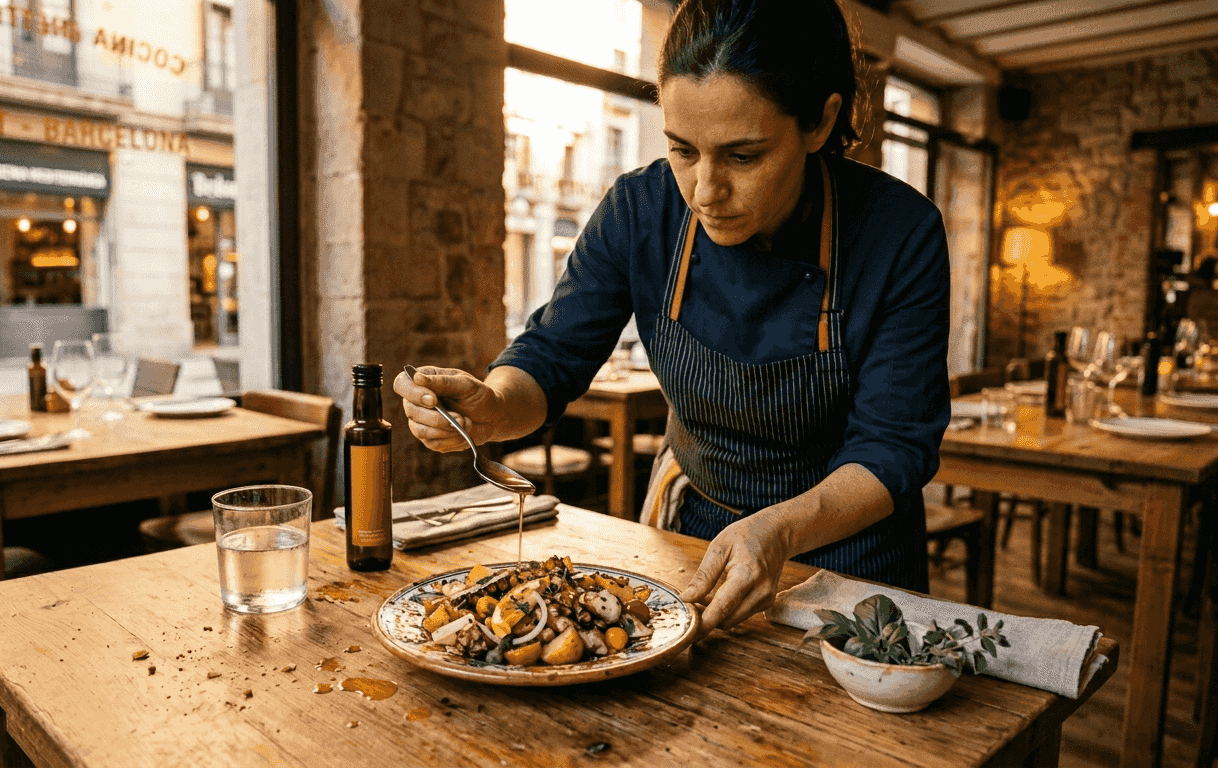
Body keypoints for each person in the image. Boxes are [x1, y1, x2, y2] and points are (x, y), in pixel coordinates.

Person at [395, 0, 950, 638]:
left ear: (821, 121)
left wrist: (779, 529)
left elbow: (894, 445)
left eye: (743, 156)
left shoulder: (898, 235)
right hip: (694, 545)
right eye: (683, 150)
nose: (704, 189)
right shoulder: (641, 211)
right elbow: (552, 358)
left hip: (854, 563)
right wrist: (493, 406)